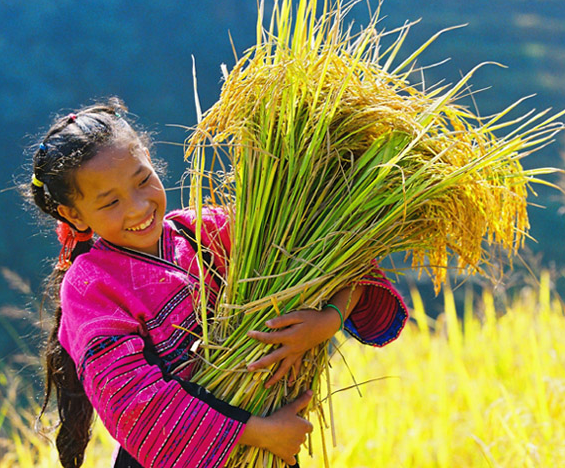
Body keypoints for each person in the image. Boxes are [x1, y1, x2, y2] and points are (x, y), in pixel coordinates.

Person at [25, 97, 408, 468]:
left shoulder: (206, 230)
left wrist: (328, 321)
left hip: (272, 448)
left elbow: (341, 259)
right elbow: (135, 403)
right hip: (212, 451)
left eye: (143, 180)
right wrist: (260, 433)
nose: (138, 207)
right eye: (110, 203)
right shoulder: (91, 285)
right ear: (73, 214)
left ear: (151, 160)